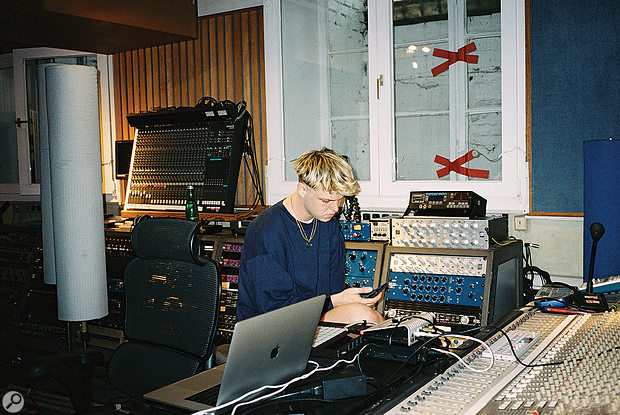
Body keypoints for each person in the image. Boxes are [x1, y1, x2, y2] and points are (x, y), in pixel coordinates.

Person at [236, 147, 385, 324]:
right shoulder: (266, 231)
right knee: (365, 317)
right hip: (270, 328)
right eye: (326, 200)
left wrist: (349, 298)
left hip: (313, 315)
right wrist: (336, 301)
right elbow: (272, 309)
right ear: (302, 189)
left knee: (371, 321)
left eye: (340, 199)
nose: (335, 209)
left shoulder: (328, 225)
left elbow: (333, 288)